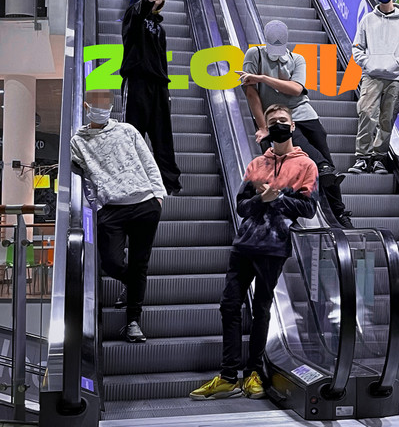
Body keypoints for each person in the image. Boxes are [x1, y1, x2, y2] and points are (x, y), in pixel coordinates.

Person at [190, 104, 318, 400]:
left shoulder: (306, 166)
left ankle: (253, 373)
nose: (278, 125)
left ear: (292, 126)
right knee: (229, 305)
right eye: (273, 122)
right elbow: (241, 207)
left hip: (274, 247)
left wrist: (277, 197)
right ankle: (228, 376)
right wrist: (261, 200)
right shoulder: (257, 164)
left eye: (283, 121)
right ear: (267, 128)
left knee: (261, 309)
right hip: (245, 243)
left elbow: (309, 208)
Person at [70, 89, 166, 343]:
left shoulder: (127, 130)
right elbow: (81, 178)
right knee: (111, 262)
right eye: (96, 105)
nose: (102, 109)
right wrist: (97, 205)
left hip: (145, 204)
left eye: (106, 105)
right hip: (111, 209)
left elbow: (148, 162)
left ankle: (133, 321)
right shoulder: (78, 141)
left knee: (139, 263)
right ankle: (132, 284)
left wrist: (158, 196)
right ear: (86, 106)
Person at [238, 20, 352, 228]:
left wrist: (262, 78)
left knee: (328, 167)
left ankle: (339, 212)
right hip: (276, 117)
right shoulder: (254, 55)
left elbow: (296, 89)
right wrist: (263, 127)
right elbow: (251, 93)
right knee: (295, 152)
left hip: (304, 112)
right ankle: (290, 213)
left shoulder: (297, 58)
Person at [349, 0, 399, 174]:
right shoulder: (367, 20)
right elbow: (357, 47)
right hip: (371, 75)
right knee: (366, 113)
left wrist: (397, 61)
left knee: (387, 119)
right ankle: (362, 158)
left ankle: (379, 158)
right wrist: (368, 63)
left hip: (395, 77)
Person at [121, 0, 182, 195]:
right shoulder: (133, 12)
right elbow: (136, 20)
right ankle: (130, 180)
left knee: (162, 135)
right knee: (133, 132)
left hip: (159, 85)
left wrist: (166, 87)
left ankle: (169, 182)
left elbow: (162, 60)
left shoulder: (160, 29)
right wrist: (147, 2)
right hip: (137, 80)